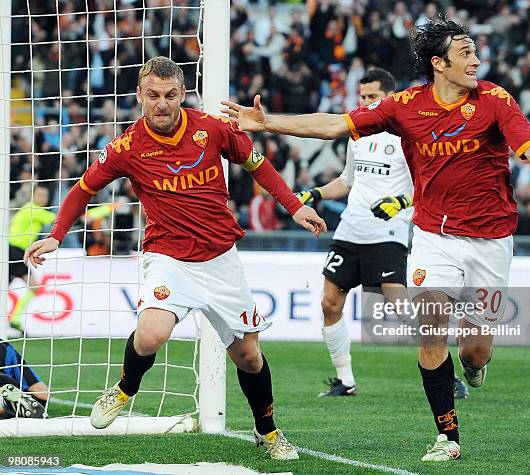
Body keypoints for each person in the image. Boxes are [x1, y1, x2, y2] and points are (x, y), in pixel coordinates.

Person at [221, 17, 530, 462]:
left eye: (475, 52)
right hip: (433, 236)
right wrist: (269, 124)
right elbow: (335, 125)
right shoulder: (404, 106)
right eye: (466, 53)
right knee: (432, 330)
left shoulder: (495, 100)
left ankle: (473, 367)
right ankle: (447, 439)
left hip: (492, 241)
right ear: (439, 63)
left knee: (474, 351)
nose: (476, 60)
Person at [24, 56, 326, 460]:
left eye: (170, 95)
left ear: (183, 95)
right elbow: (82, 189)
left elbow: (258, 165)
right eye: (153, 95)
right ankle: (124, 389)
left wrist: (294, 205)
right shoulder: (126, 147)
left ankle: (267, 432)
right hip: (168, 257)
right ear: (139, 96)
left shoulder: (213, 129)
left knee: (249, 357)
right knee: (150, 334)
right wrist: (57, 236)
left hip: (220, 258)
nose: (162, 103)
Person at [296, 67, 469, 399]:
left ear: (390, 98)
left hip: (388, 232)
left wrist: (401, 201)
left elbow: (430, 187)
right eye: (361, 97)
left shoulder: (410, 137)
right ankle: (345, 381)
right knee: (329, 303)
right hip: (350, 229)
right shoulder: (357, 136)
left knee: (400, 309)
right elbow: (347, 182)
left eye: (372, 97)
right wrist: (315, 193)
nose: (365, 103)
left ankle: (447, 375)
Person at [8, 185, 56, 332]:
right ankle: (15, 319)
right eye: (40, 194)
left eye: (45, 195)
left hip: (15, 252)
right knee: (34, 287)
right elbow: (57, 219)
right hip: (13, 251)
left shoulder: (33, 210)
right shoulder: (33, 209)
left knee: (31, 287)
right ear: (33, 196)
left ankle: (15, 319)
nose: (43, 198)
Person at [0, 339, 48, 419]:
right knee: (42, 394)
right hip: (7, 381)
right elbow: (42, 394)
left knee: (42, 394)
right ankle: (8, 404)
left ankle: (7, 404)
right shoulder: (5, 347)